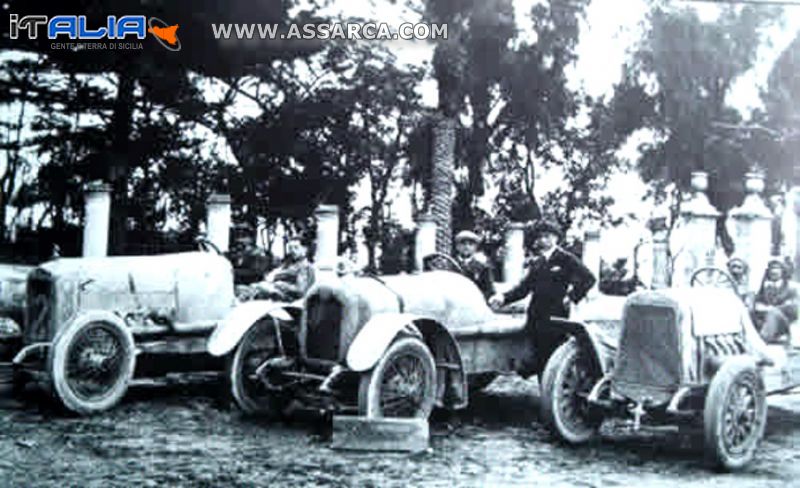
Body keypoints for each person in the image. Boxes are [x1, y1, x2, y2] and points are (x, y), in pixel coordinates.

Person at [488, 220, 596, 376]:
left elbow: (589, 278)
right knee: (539, 356)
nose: (544, 240)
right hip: (535, 316)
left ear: (556, 238)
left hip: (556, 316)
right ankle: (539, 384)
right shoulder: (537, 263)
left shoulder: (566, 259)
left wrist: (572, 297)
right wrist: (502, 298)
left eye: (548, 236)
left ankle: (549, 393)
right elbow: (523, 289)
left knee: (551, 357)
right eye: (541, 237)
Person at [241, 238, 315, 302]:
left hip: (289, 300)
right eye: (290, 248)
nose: (292, 251)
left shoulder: (304, 267)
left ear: (305, 249)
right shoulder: (289, 264)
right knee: (245, 288)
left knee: (256, 289)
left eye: (296, 248)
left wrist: (279, 285)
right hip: (277, 293)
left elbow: (300, 290)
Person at [753, 257, 798, 343]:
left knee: (773, 313)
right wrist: (761, 307)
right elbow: (758, 303)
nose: (773, 271)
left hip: (786, 322)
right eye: (771, 268)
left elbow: (795, 307)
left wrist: (776, 309)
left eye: (777, 268)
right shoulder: (765, 287)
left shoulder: (792, 287)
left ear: (783, 271)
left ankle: (761, 340)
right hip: (764, 320)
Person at [454, 230, 495, 299]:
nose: (466, 247)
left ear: (475, 248)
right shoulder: (450, 265)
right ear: (457, 247)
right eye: (463, 244)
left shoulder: (482, 268)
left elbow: (489, 290)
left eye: (470, 244)